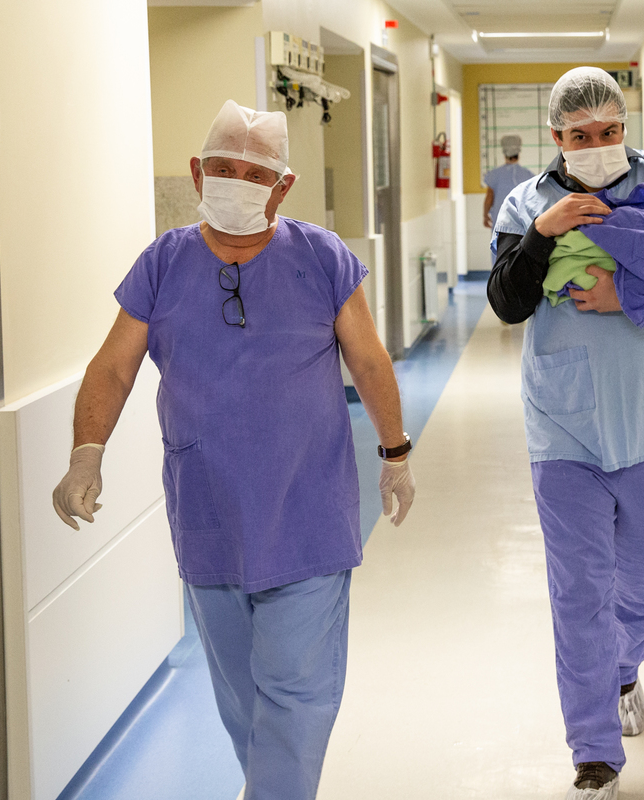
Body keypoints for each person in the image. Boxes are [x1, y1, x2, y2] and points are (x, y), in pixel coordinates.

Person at [51, 100, 416, 800]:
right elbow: (113, 366)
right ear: (196, 172)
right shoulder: (162, 263)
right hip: (210, 507)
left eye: (256, 173)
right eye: (222, 168)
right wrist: (85, 452)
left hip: (307, 507)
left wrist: (394, 452)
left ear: (283, 187)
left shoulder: (323, 258)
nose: (236, 182)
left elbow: (368, 362)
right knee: (241, 694)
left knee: (297, 692)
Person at [487, 68, 644, 800]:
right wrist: (542, 234)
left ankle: (623, 667)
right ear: (555, 138)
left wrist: (628, 293)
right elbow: (506, 302)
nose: (598, 147)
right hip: (565, 422)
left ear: (626, 126)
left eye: (610, 132)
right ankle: (594, 754)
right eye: (580, 137)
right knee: (578, 591)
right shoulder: (527, 201)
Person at [482, 134, 534, 229]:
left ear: (504, 151)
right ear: (519, 151)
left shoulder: (494, 174)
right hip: (521, 224)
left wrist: (485, 216)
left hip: (501, 223)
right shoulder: (528, 175)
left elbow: (489, 198)